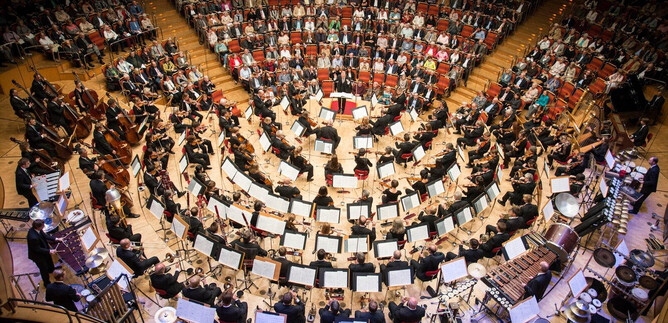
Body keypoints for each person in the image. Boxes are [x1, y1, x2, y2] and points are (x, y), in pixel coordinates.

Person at [28, 219, 61, 285]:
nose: (44, 226)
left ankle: (51, 269)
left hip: (43, 249)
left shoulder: (37, 229)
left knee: (49, 260)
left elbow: (45, 236)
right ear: (38, 227)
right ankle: (46, 283)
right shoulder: (33, 237)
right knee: (44, 269)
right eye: (43, 226)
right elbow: (37, 249)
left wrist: (56, 239)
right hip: (37, 256)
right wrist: (49, 251)